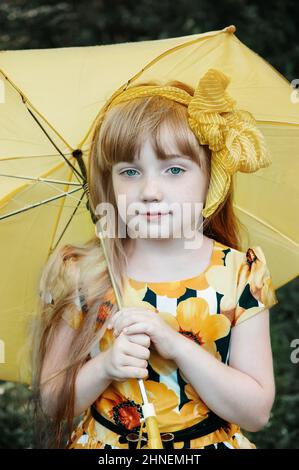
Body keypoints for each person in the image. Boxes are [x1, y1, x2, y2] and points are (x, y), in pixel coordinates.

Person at [32, 68, 279, 449]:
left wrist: (179, 346)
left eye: (174, 169)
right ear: (109, 183)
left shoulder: (240, 273)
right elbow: (53, 404)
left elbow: (256, 413)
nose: (149, 190)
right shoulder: (82, 274)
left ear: (211, 176)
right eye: (130, 171)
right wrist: (106, 367)